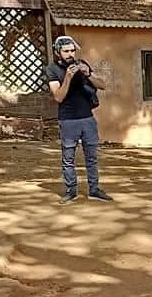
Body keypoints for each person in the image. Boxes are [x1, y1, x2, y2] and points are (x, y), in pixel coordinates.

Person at [46, 35, 112, 203]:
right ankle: (70, 191)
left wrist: (87, 73)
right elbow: (58, 97)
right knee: (68, 158)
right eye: (66, 51)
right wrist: (68, 77)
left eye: (72, 50)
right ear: (57, 52)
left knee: (92, 157)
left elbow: (102, 85)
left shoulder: (82, 64)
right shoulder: (52, 70)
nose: (70, 54)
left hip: (87, 118)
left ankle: (94, 189)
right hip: (68, 120)